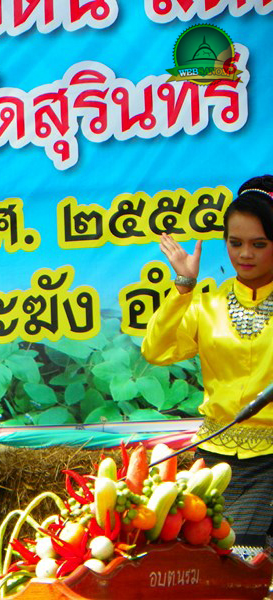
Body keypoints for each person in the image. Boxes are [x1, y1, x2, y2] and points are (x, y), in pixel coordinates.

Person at [141, 175, 273, 560]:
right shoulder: (208, 304)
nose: (244, 254)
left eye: (259, 244)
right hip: (216, 455)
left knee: (248, 556)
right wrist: (184, 287)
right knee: (214, 560)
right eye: (235, 243)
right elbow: (156, 351)